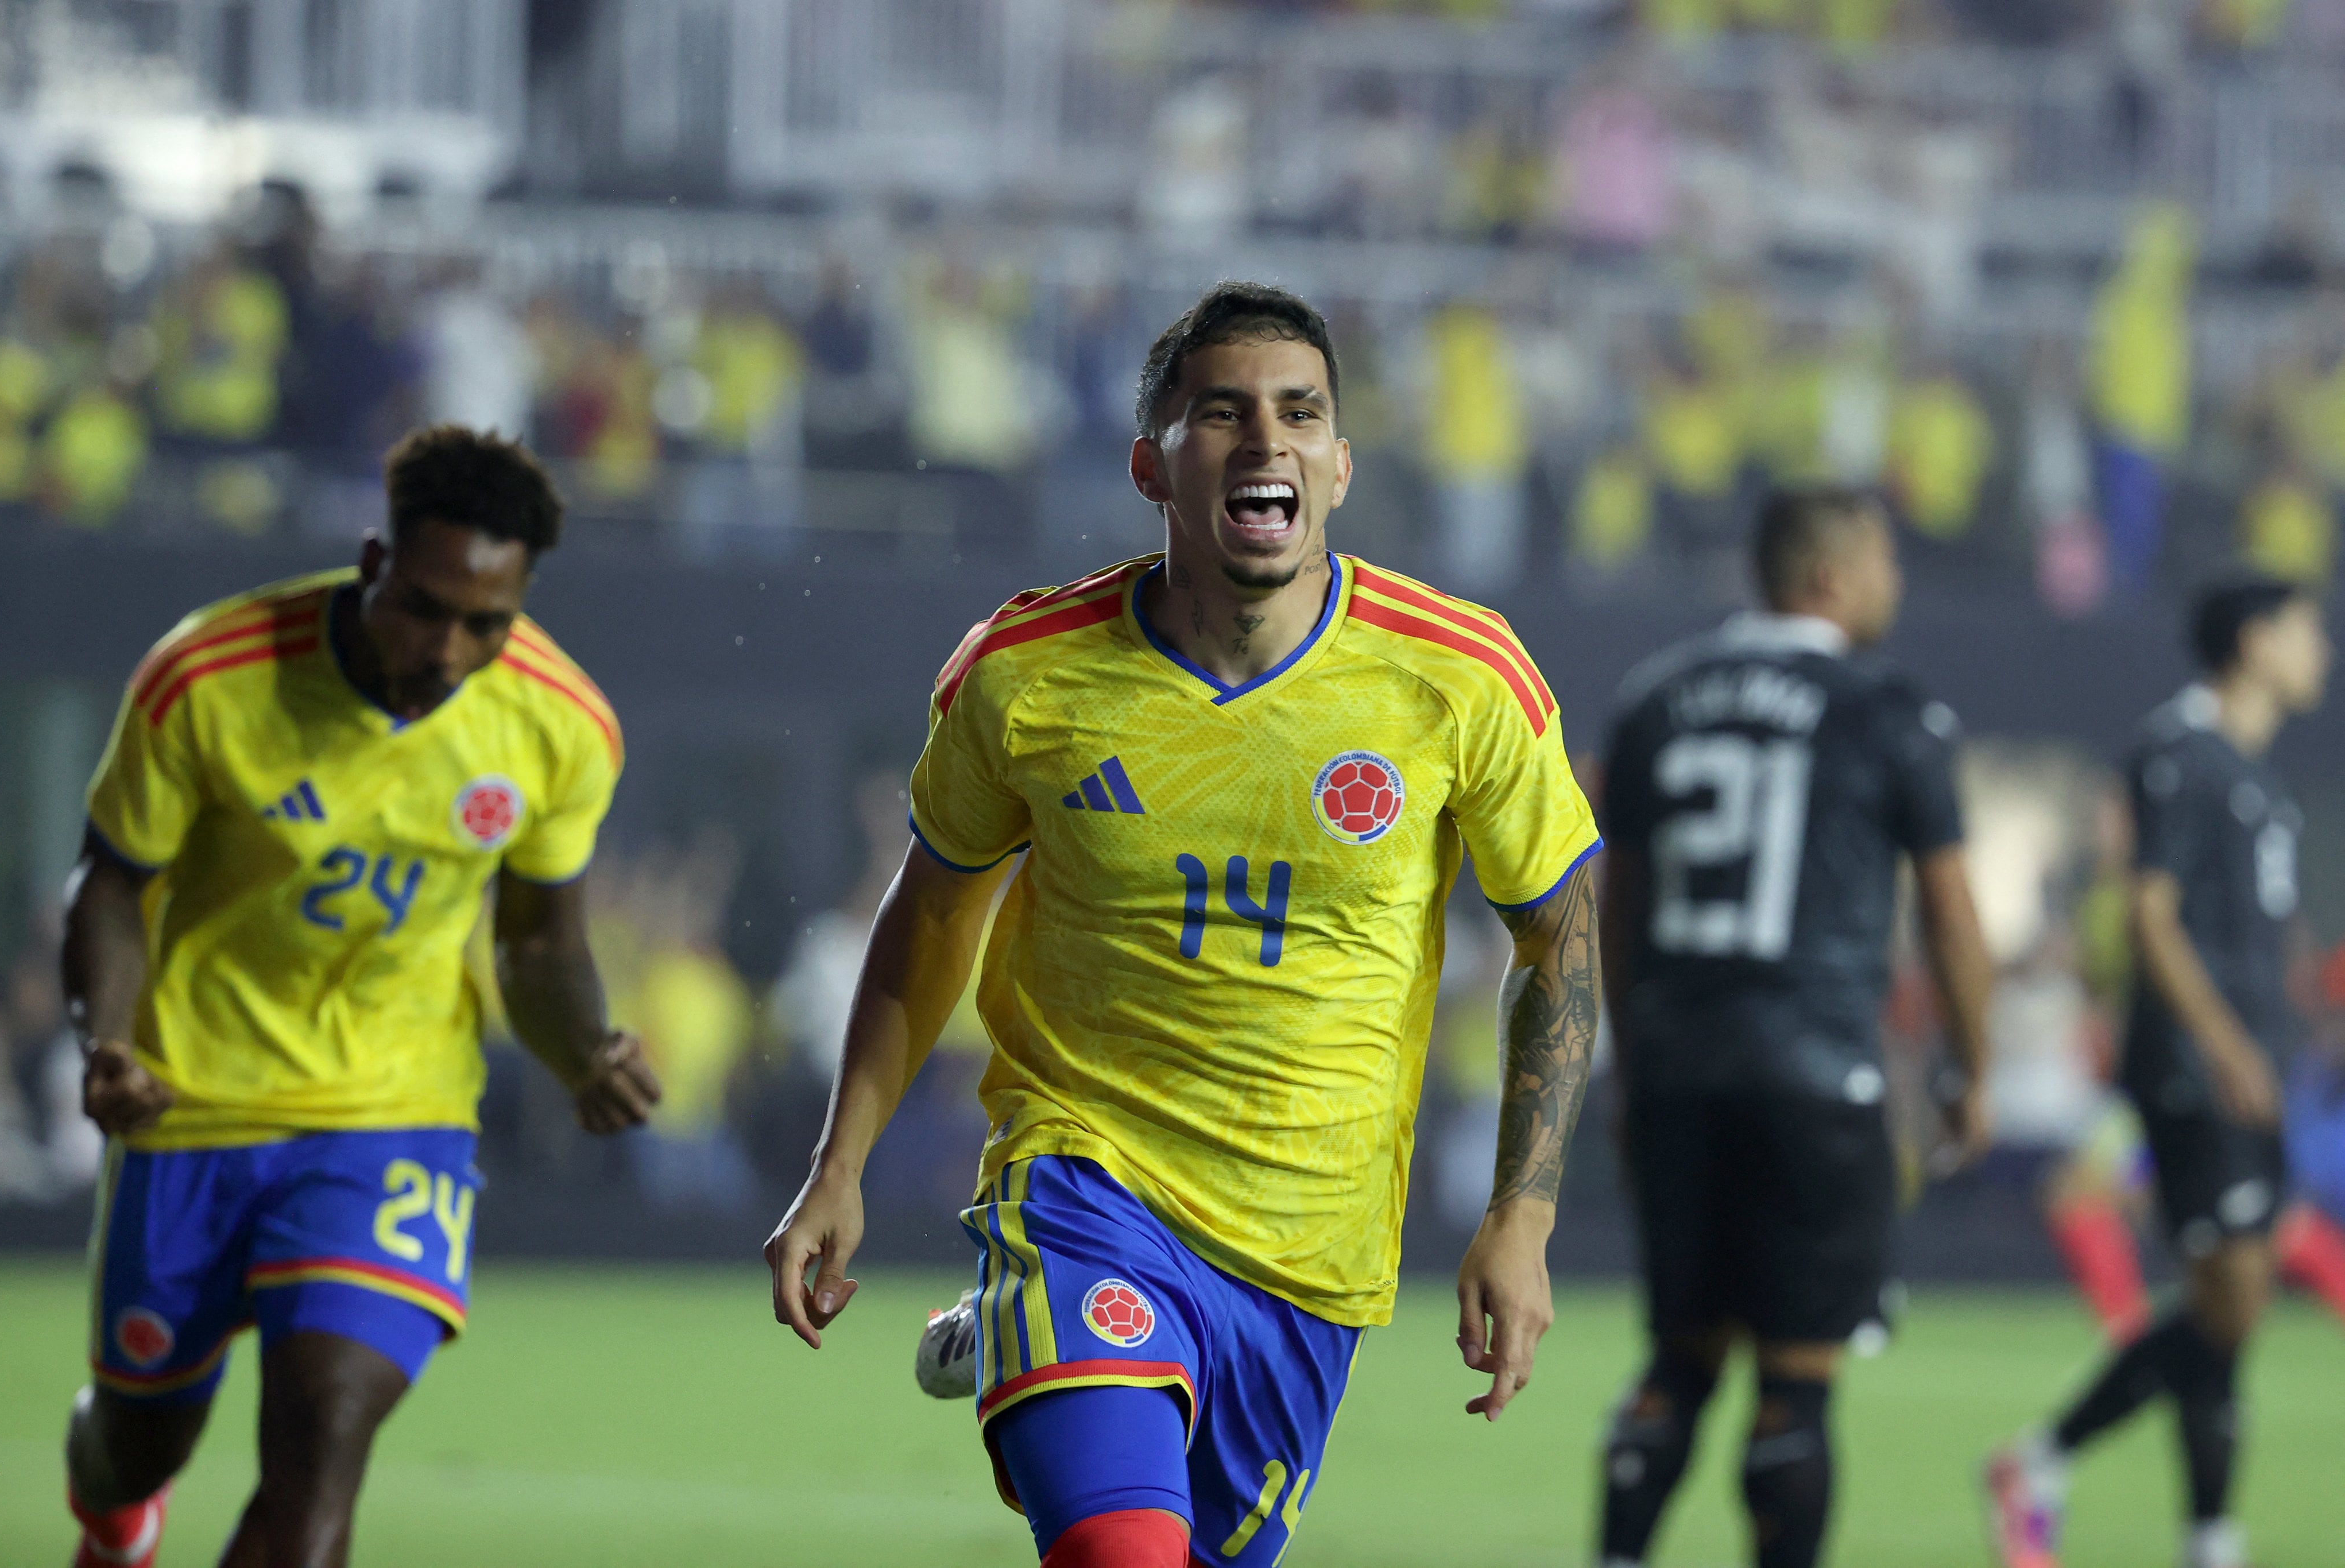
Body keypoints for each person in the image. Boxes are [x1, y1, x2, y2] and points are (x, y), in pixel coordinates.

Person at [762, 282, 1604, 1568]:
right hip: (1083, 1178)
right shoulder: (1024, 674)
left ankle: (1012, 1332)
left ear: (1337, 468)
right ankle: (1033, 1308)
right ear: (1153, 463)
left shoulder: (1456, 677)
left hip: (1307, 1253)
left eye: (1298, 413)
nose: (1265, 440)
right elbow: (931, 913)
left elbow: (1562, 943)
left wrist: (1522, 1218)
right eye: (1222, 412)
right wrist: (838, 1165)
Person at [61, 425, 660, 1568]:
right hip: (191, 1102)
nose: (450, 648)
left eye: (488, 622)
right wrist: (108, 1040)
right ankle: (116, 1515)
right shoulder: (208, 675)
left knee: (324, 1430)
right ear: (373, 559)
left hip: (392, 1115)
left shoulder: (558, 725)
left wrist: (584, 1048)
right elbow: (112, 885)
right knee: (133, 1443)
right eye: (426, 607)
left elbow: (537, 948)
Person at [1596, 486, 1996, 1568]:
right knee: (1796, 1380)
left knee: (1678, 1361)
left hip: (1677, 1068)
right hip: (1818, 1077)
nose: (1895, 584)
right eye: (1882, 563)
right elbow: (1953, 914)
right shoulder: (1886, 704)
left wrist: (1634, 1073)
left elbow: (1614, 908)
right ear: (1828, 576)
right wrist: (1974, 1069)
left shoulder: (1653, 696)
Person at [1987, 574, 2332, 1568]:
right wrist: (2226, 1045)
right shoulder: (2179, 754)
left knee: (2237, 1306)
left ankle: (2209, 1536)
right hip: (2196, 1065)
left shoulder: (2255, 774)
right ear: (2254, 641)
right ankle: (2043, 1459)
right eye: (2308, 631)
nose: (2324, 651)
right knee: (2230, 1298)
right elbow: (2149, 916)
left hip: (2254, 1061)